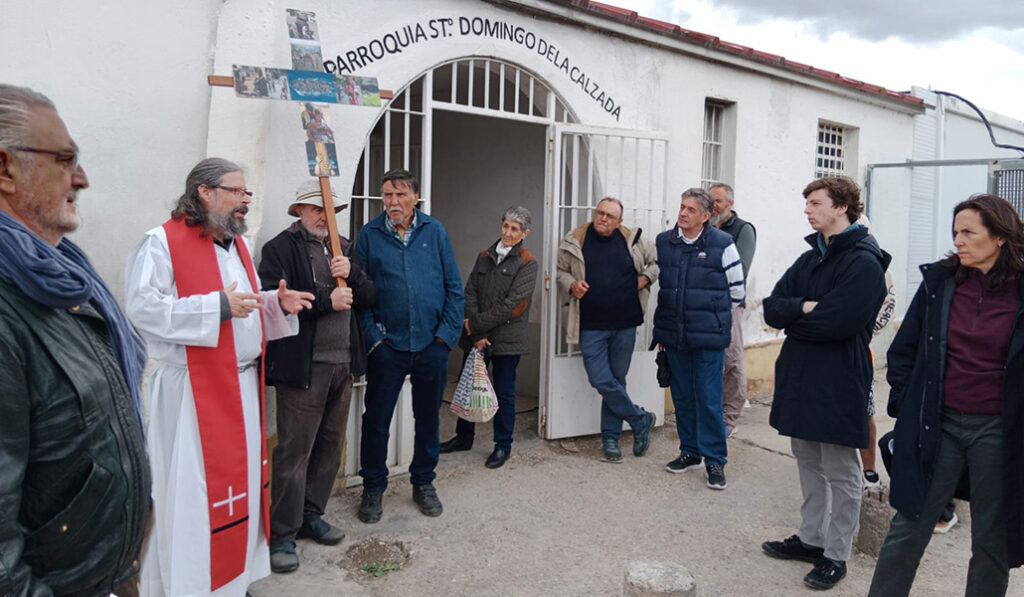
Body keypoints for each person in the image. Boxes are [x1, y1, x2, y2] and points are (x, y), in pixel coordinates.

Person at [126, 158, 314, 596]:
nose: (244, 200)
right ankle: (190, 584)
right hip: (192, 394)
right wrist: (217, 307)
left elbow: (241, 308)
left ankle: (233, 579)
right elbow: (143, 310)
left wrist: (274, 304)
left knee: (240, 489)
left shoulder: (237, 246)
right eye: (236, 191)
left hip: (241, 387)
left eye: (246, 192)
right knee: (193, 495)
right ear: (205, 192)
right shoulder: (161, 243)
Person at [0, 83, 151, 596]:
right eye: (65, 159)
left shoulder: (62, 276)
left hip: (106, 573)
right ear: (6, 169)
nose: (82, 179)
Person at [868, 194, 1024, 596]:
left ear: (1001, 236)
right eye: (956, 232)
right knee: (909, 524)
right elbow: (904, 350)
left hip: (998, 429)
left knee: (992, 537)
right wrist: (906, 406)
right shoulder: (941, 283)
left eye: (969, 232)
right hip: (938, 424)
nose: (959, 240)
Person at [761, 176, 890, 591]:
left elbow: (840, 322)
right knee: (806, 459)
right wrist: (802, 307)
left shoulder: (864, 261)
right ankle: (812, 539)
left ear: (841, 208)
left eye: (815, 202)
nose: (807, 209)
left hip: (838, 377)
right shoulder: (810, 257)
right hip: (803, 375)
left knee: (841, 470)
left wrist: (796, 321)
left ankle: (836, 554)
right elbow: (772, 309)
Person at [257, 181, 376, 573]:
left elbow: (370, 296)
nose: (325, 217)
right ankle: (282, 535)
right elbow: (273, 304)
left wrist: (353, 274)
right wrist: (327, 300)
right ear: (299, 211)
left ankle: (311, 516)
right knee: (294, 452)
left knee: (329, 446)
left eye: (330, 210)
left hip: (342, 364)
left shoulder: (343, 246)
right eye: (317, 209)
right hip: (303, 368)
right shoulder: (279, 249)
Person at [355, 168, 464, 524]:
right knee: (376, 420)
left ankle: (423, 482)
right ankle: (373, 487)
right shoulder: (369, 236)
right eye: (387, 195)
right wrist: (376, 340)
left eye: (401, 194)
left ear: (415, 197)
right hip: (389, 347)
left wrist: (444, 338)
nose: (393, 202)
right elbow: (360, 294)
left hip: (430, 345)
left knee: (429, 418)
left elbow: (453, 288)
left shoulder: (435, 232)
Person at [654, 188, 745, 489]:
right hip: (675, 336)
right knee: (682, 397)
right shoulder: (665, 243)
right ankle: (690, 452)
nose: (683, 213)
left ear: (706, 216)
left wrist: (711, 320)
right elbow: (664, 288)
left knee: (708, 399)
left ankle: (715, 460)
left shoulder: (723, 244)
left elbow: (737, 293)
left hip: (708, 338)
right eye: (681, 207)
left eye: (691, 210)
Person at [556, 196, 658, 463]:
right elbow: (560, 271)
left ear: (619, 221)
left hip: (625, 323)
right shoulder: (576, 239)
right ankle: (640, 418)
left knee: (617, 379)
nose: (602, 218)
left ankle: (610, 438)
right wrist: (571, 284)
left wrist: (645, 278)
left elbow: (656, 264)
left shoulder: (632, 241)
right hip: (591, 324)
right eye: (600, 212)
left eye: (609, 216)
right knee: (601, 379)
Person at [440, 206, 539, 469]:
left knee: (505, 393)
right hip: (478, 338)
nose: (508, 232)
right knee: (468, 386)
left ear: (524, 233)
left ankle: (502, 446)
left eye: (514, 229)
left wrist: (474, 325)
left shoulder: (528, 263)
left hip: (507, 340)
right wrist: (478, 333)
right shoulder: (484, 256)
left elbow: (513, 305)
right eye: (505, 226)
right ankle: (463, 438)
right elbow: (470, 292)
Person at [709, 182, 756, 436]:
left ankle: (730, 417)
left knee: (732, 358)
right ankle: (712, 411)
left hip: (730, 304)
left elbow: (740, 268)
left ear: (730, 203)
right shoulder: (705, 226)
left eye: (717, 201)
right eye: (710, 200)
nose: (713, 205)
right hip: (705, 304)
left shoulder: (742, 229)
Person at [855, 215, 897, 492]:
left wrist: (865, 332)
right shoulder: (820, 260)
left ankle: (869, 469)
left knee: (864, 413)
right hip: (826, 356)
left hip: (859, 354)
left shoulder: (878, 265)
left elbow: (888, 305)